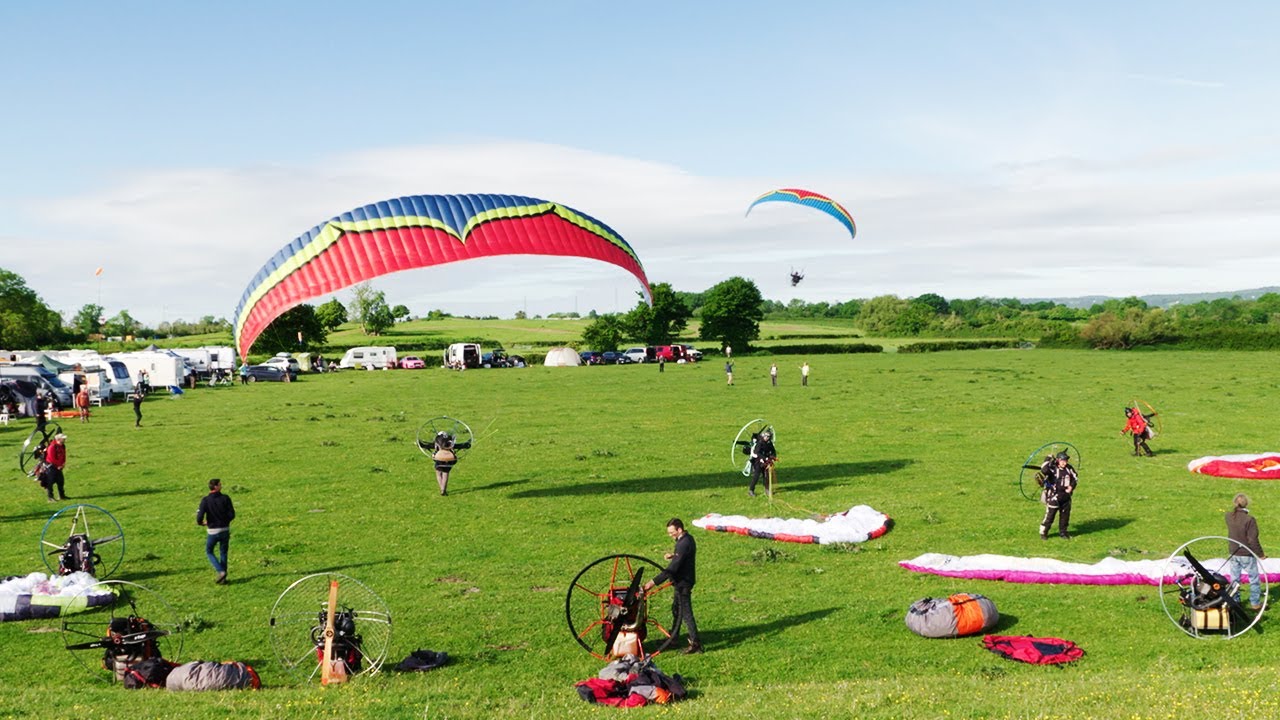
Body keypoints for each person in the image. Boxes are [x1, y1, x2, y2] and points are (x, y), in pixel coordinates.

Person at [642, 518, 702, 654]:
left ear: (679, 529)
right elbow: (682, 558)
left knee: (686, 613)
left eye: (672, 532)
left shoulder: (683, 543)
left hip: (683, 583)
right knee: (676, 610)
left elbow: (673, 568)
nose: (670, 535)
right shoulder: (687, 539)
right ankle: (673, 639)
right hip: (682, 581)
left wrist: (652, 582)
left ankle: (696, 643)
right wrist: (674, 556)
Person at [1226, 493, 1266, 610]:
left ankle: (1235, 601)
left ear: (1235, 503)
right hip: (1246, 554)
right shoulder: (1249, 519)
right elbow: (1252, 539)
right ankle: (1255, 603)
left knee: (1235, 579)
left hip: (1233, 552)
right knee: (1253, 579)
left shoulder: (1228, 516)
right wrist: (1261, 554)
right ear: (1246, 504)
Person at [196, 478, 236, 585]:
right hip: (225, 530)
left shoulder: (205, 500)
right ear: (216, 487)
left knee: (209, 551)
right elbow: (232, 514)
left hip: (212, 531)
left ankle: (220, 571)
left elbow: (199, 516)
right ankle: (223, 578)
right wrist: (225, 521)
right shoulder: (226, 498)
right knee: (223, 552)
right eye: (220, 484)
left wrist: (201, 523)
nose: (221, 486)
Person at [1038, 451, 1077, 539]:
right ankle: (1043, 533)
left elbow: (1075, 478)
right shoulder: (1053, 468)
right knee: (1050, 516)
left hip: (1066, 497)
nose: (1064, 462)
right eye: (1062, 460)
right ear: (1058, 460)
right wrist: (1048, 458)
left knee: (1065, 516)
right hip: (1054, 497)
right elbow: (1044, 470)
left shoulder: (1069, 468)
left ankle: (1063, 532)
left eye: (1066, 460)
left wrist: (1071, 486)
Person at [432, 431, 471, 496]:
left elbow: (427, 445)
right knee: (445, 474)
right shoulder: (450, 442)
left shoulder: (438, 441)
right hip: (449, 460)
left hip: (439, 460)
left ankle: (441, 488)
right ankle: (443, 489)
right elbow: (462, 446)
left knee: (438, 474)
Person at [748, 429, 778, 497]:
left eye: (768, 436)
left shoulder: (769, 443)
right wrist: (765, 458)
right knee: (756, 476)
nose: (766, 438)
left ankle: (767, 489)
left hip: (766, 462)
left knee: (766, 476)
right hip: (758, 461)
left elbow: (773, 451)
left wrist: (773, 457)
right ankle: (751, 490)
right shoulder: (760, 443)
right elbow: (757, 452)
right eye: (766, 436)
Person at [42, 433, 68, 502]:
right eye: (63, 438)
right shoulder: (52, 447)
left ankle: (62, 496)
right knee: (50, 482)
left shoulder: (63, 446)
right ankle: (50, 497)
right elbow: (51, 458)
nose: (65, 439)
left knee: (61, 481)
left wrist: (63, 463)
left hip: (59, 467)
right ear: (58, 439)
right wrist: (59, 465)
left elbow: (64, 455)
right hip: (51, 467)